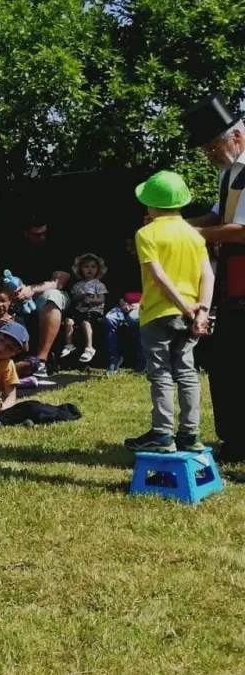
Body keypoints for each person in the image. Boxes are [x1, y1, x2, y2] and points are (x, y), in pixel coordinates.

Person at [126, 170, 213, 453]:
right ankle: (190, 435)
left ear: (149, 204)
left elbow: (159, 275)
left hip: (158, 313)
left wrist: (181, 305)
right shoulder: (193, 234)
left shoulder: (145, 233)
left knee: (161, 373)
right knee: (187, 372)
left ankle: (162, 435)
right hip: (191, 314)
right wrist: (201, 312)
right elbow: (207, 275)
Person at [179, 95, 245, 463]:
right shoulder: (230, 171)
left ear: (235, 136)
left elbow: (239, 232)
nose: (209, 155)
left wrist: (186, 236)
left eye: (212, 147)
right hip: (234, 282)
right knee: (228, 361)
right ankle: (234, 441)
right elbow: (217, 217)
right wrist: (173, 225)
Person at [0, 222, 69, 374]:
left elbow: (59, 282)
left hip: (41, 296)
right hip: (12, 295)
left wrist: (30, 290)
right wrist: (9, 291)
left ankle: (41, 361)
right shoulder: (11, 249)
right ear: (26, 233)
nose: (42, 237)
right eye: (36, 234)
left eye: (44, 233)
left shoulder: (56, 248)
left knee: (53, 296)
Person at [60, 253, 109, 365]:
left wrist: (91, 300)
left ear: (98, 269)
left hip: (93, 312)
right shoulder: (78, 285)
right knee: (68, 321)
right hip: (79, 311)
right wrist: (80, 297)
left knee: (85, 323)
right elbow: (74, 298)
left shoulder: (98, 284)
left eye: (93, 267)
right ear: (80, 270)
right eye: (86, 267)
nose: (89, 269)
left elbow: (102, 299)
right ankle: (69, 345)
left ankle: (89, 348)